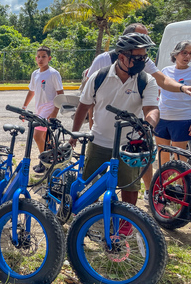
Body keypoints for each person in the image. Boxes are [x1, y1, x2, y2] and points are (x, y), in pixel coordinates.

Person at [85, 23, 191, 201]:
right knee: (93, 177)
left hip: (131, 130)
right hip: (101, 131)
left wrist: (181, 88)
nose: (146, 42)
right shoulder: (103, 60)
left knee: (141, 165)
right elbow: (88, 97)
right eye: (142, 37)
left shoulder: (143, 60)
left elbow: (162, 80)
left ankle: (149, 192)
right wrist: (91, 127)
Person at [70, 32, 160, 209]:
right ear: (121, 57)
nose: (142, 62)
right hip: (99, 140)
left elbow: (152, 109)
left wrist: (148, 124)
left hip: (128, 145)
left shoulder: (146, 81)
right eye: (137, 58)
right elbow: (83, 106)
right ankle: (88, 219)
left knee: (130, 188)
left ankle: (125, 225)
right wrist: (74, 133)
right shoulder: (98, 77)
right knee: (90, 186)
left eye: (144, 57)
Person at [22, 46, 64, 173]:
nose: (40, 59)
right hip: (39, 109)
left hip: (49, 109)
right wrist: (24, 107)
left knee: (37, 135)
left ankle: (44, 162)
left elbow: (60, 94)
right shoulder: (35, 74)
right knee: (47, 139)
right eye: (38, 56)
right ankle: (57, 160)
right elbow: (31, 92)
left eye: (44, 56)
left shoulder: (53, 73)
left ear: (49, 58)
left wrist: (54, 113)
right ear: (36, 58)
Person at [154, 40, 191, 164]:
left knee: (179, 157)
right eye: (184, 52)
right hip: (163, 118)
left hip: (182, 119)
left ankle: (181, 183)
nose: (188, 56)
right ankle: (163, 182)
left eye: (190, 54)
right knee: (162, 154)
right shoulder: (165, 71)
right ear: (175, 54)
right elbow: (157, 94)